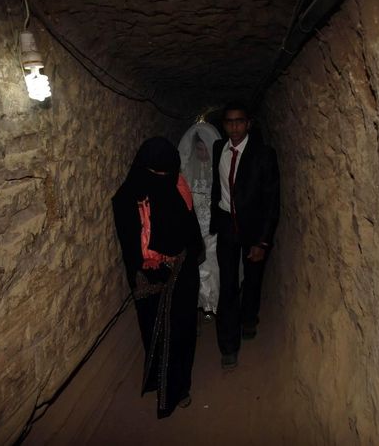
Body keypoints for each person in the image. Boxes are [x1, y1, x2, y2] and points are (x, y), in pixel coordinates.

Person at [112, 137, 204, 418]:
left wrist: (179, 257)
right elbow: (130, 243)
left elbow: (190, 230)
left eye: (167, 172)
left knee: (180, 332)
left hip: (182, 274)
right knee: (154, 330)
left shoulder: (178, 186)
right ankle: (158, 379)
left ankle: (177, 389)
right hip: (149, 277)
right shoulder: (128, 197)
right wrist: (150, 263)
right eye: (156, 174)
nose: (162, 178)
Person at [209, 102, 280, 369]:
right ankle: (228, 346)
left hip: (253, 226)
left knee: (252, 278)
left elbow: (272, 201)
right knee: (227, 286)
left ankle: (249, 318)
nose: (234, 127)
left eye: (239, 121)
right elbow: (218, 185)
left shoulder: (264, 154)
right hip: (227, 224)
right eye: (229, 122)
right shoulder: (219, 149)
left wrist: (263, 241)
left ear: (249, 123)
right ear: (223, 125)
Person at [177, 121, 222, 321]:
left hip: (213, 227)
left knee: (212, 266)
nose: (202, 153)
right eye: (199, 148)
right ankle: (198, 302)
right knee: (196, 266)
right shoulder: (187, 170)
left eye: (206, 149)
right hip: (195, 226)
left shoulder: (218, 169)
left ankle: (212, 304)